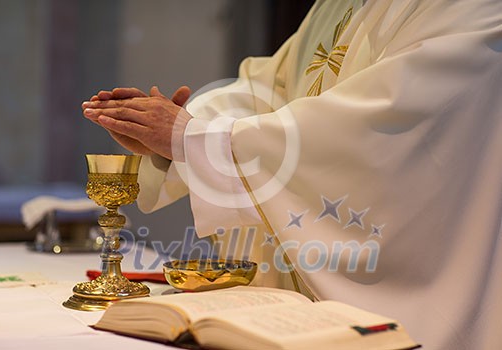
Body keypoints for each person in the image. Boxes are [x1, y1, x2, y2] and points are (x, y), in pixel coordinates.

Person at [82, 0, 502, 348]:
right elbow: (265, 91)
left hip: (418, 298)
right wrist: (181, 132)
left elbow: (385, 129)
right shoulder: (340, 6)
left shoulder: (468, 10)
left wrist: (192, 137)